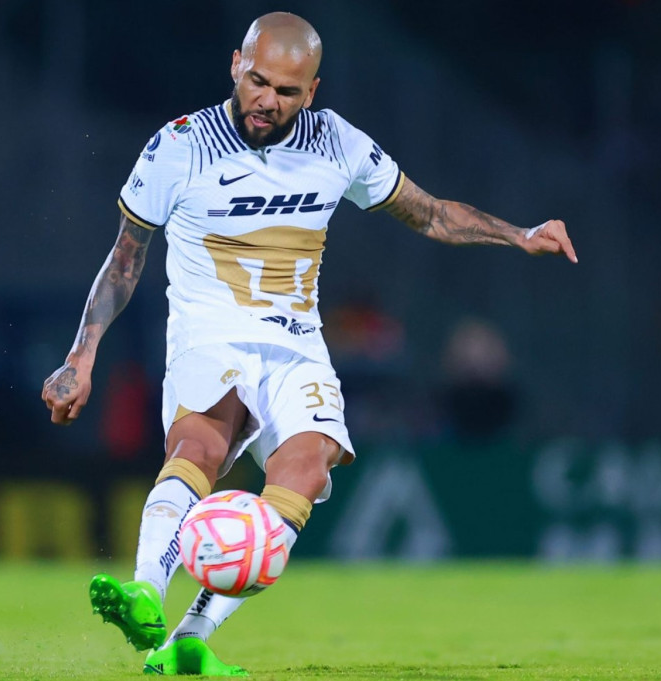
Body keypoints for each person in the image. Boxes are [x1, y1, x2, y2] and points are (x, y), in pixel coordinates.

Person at [42, 11, 577, 676]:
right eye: (258, 81)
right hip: (211, 334)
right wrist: (81, 355)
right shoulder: (179, 146)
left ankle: (187, 639)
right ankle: (145, 590)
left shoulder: (337, 144)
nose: (267, 99)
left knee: (307, 471)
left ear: (312, 91)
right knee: (200, 447)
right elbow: (125, 260)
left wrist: (520, 234)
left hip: (296, 344)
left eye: (287, 91)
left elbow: (429, 212)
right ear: (236, 64)